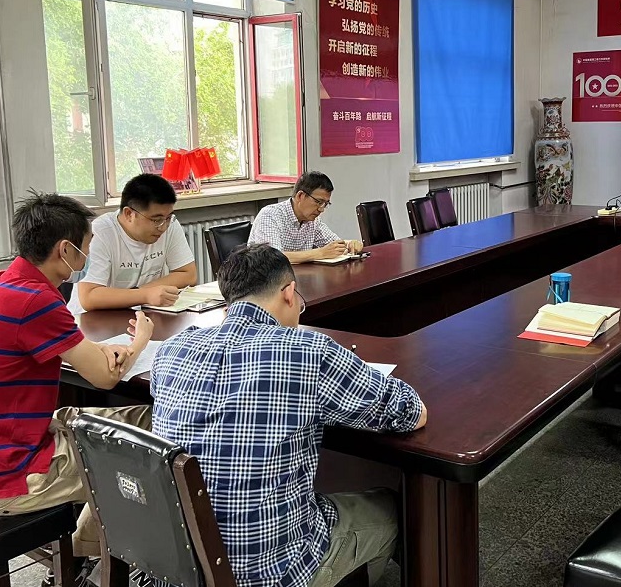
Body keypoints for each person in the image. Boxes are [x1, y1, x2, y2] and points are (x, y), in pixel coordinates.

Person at [150, 244, 426, 587]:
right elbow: (410, 412)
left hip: (180, 568)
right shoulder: (309, 352)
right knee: (392, 508)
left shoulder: (172, 350)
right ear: (289, 293)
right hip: (276, 573)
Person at [0, 192, 154, 561]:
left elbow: (62, 349)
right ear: (65, 249)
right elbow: (106, 380)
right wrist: (140, 339)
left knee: (149, 419)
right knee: (150, 450)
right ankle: (90, 558)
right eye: (87, 244)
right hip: (13, 476)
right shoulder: (36, 301)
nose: (88, 253)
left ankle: (91, 551)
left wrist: (100, 352)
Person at [70, 173, 197, 313]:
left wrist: (141, 293)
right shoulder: (100, 233)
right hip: (92, 319)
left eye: (168, 218)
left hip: (138, 313)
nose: (163, 227)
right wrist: (145, 295)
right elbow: (89, 297)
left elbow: (188, 274)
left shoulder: (169, 225)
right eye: (156, 220)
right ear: (129, 214)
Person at [249, 171, 363, 263]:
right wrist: (320, 253)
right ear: (300, 196)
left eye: (326, 204)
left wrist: (349, 244)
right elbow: (272, 258)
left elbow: (333, 244)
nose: (321, 209)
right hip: (265, 282)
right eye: (318, 202)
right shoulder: (270, 215)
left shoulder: (313, 221)